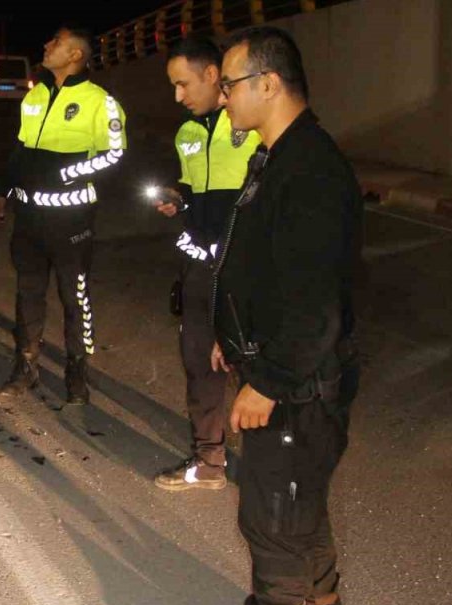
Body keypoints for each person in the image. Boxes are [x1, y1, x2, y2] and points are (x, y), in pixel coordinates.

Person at [211, 27, 361, 605]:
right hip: (278, 368)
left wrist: (268, 382)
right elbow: (266, 268)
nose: (222, 99)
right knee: (297, 506)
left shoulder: (311, 169)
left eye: (228, 86)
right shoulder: (276, 156)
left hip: (298, 386)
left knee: (272, 518)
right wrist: (234, 334)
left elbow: (315, 302)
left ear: (267, 83)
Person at [0, 26, 127, 405]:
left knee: (75, 297)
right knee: (28, 292)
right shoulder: (34, 95)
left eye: (56, 43)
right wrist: (4, 190)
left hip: (71, 220)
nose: (46, 45)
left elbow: (114, 155)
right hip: (29, 217)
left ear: (75, 56)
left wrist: (67, 174)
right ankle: (26, 366)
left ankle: (77, 371)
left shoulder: (101, 102)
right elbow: (20, 147)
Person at [151, 36, 260, 492]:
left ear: (212, 74)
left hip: (247, 270)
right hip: (200, 266)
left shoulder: (253, 127)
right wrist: (178, 200)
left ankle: (271, 470)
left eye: (183, 84)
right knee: (200, 363)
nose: (178, 96)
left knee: (256, 368)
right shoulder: (188, 133)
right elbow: (193, 189)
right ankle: (209, 461)